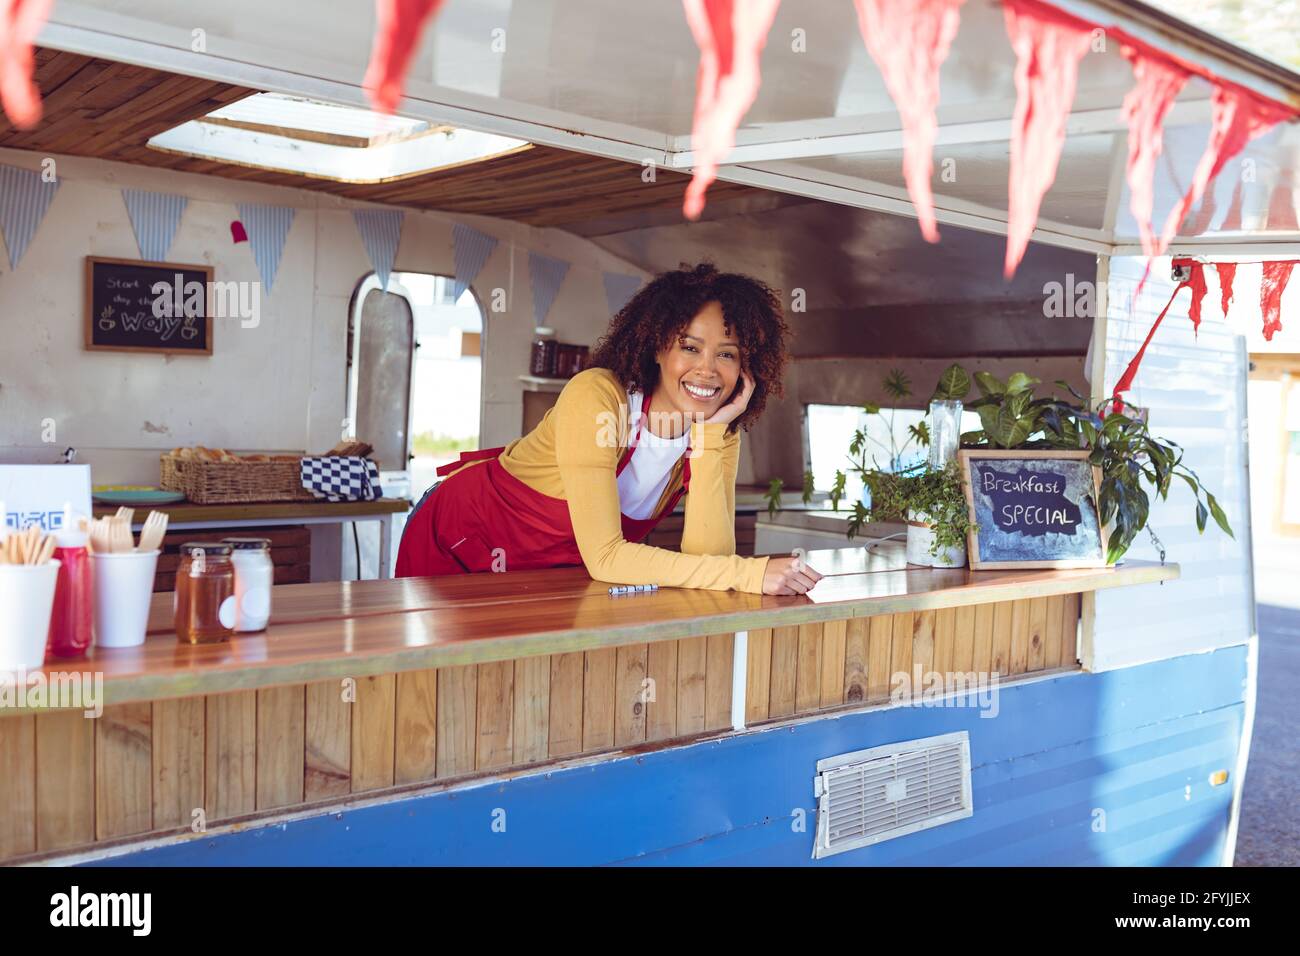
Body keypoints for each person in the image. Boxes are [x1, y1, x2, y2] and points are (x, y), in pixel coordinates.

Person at [395, 262, 822, 595]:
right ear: (658, 346)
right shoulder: (598, 396)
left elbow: (709, 565)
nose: (707, 370)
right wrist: (752, 573)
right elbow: (605, 558)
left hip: (550, 571)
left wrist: (712, 437)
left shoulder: (719, 431)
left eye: (727, 355)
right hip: (456, 540)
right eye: (689, 347)